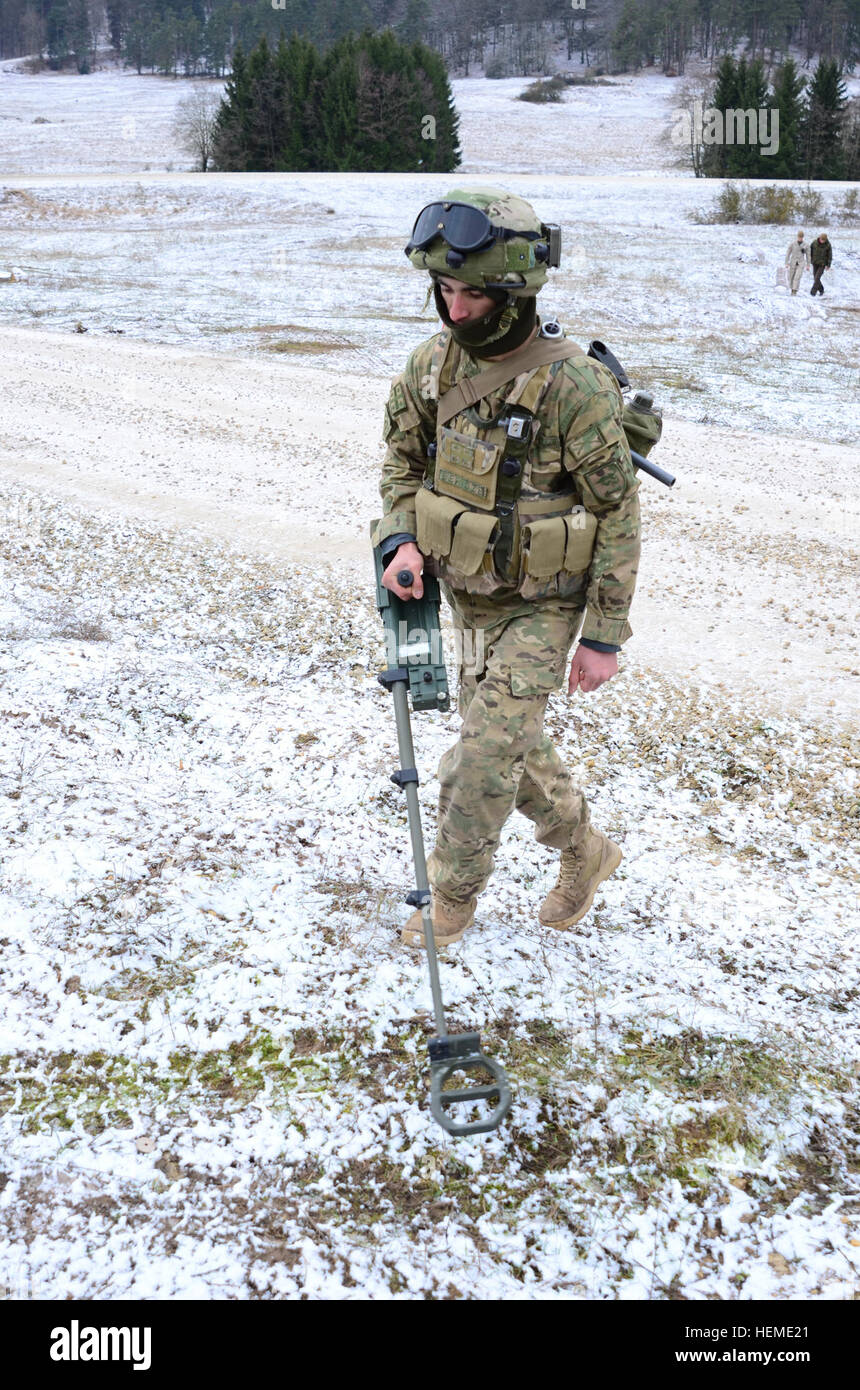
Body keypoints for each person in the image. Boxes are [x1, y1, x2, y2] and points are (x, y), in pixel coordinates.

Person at [373, 188, 654, 949]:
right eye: (445, 289)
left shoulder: (576, 390)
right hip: (465, 600)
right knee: (517, 749)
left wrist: (604, 635)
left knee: (481, 756)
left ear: (517, 292)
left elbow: (620, 517)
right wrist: (402, 540)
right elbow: (401, 461)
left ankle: (450, 902)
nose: (454, 309)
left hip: (545, 606)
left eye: (473, 293)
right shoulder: (429, 366)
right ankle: (587, 852)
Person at [785, 230, 809, 295]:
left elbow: (808, 255)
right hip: (793, 262)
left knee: (797, 277)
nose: (800, 238)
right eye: (799, 237)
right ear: (797, 237)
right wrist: (786, 263)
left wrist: (808, 265)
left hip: (801, 263)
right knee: (791, 277)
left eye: (801, 237)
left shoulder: (806, 245)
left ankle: (794, 290)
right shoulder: (792, 244)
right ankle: (791, 288)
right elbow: (788, 253)